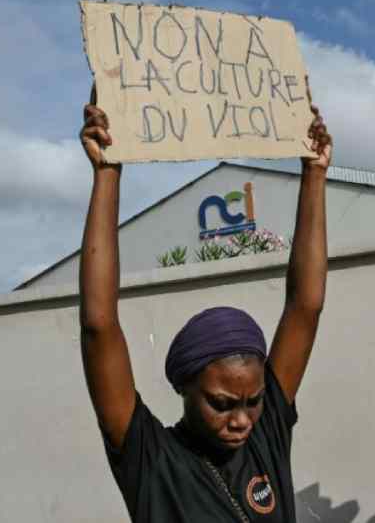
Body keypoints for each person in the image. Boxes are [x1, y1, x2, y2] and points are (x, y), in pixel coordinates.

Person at [78, 86, 332, 522]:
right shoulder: (151, 459)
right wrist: (108, 174)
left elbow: (305, 307)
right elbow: (99, 325)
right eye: (221, 403)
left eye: (252, 401)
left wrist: (314, 174)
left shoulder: (265, 431)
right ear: (184, 386)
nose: (242, 420)